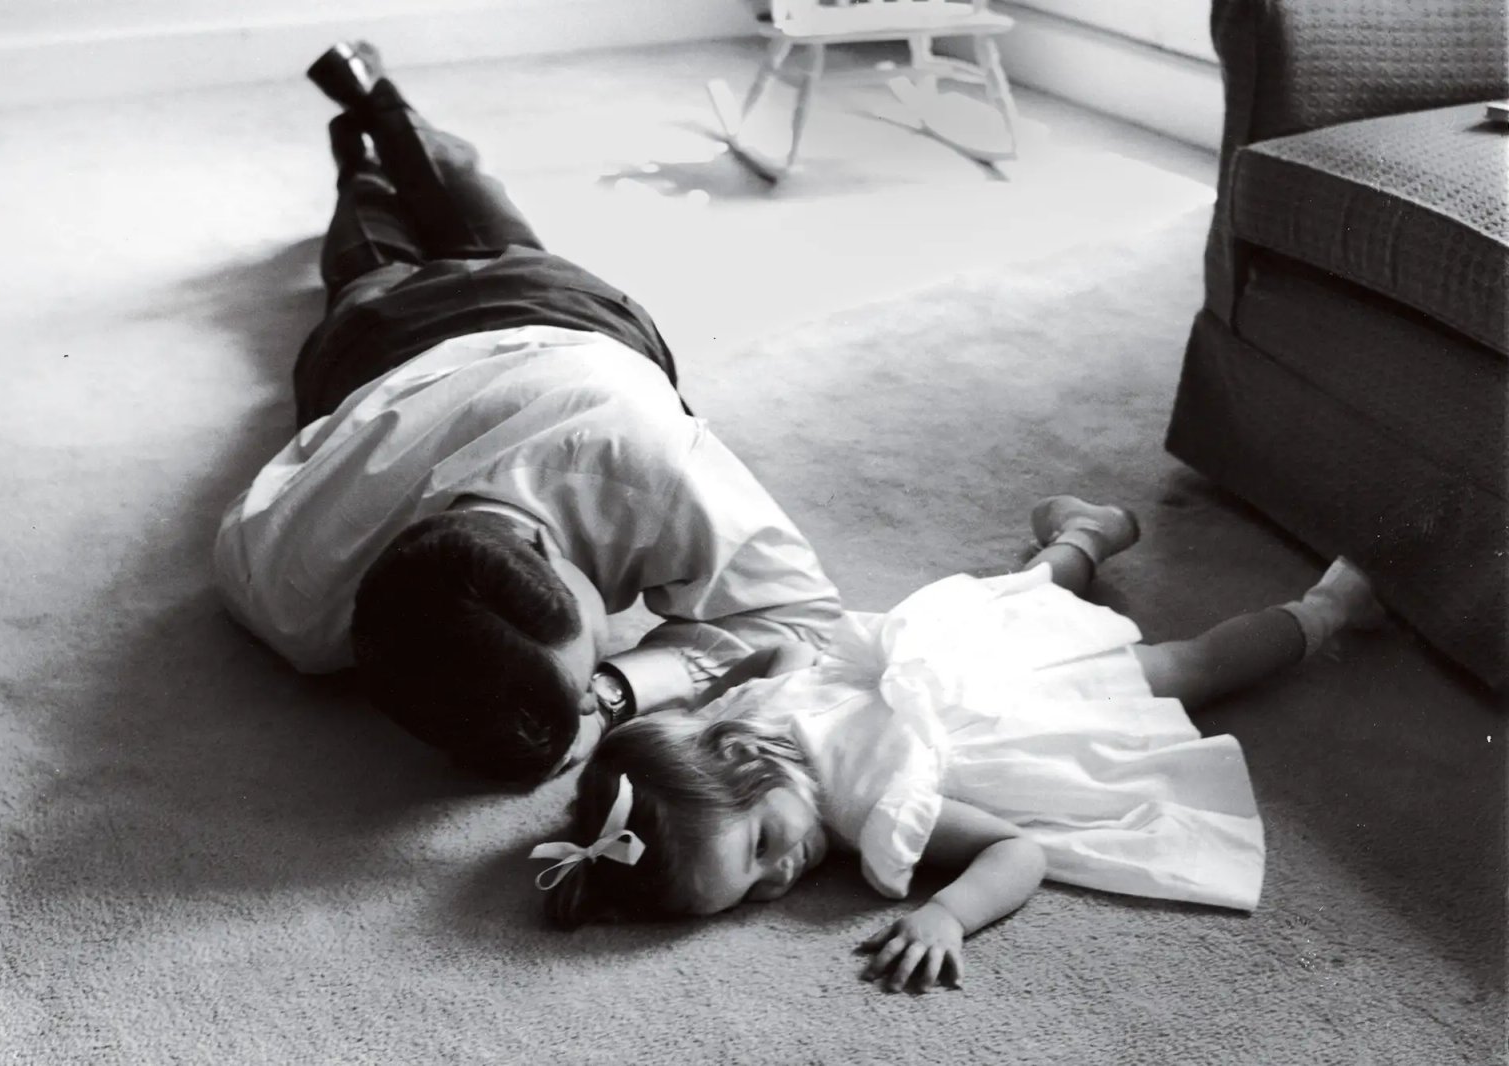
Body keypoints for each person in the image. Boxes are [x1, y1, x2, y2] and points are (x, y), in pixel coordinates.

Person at [213, 42, 841, 787]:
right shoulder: (296, 606)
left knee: (458, 217)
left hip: (545, 318)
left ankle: (385, 110)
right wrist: (615, 691)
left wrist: (610, 692)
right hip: (386, 349)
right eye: (586, 678)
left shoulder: (650, 459)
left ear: (548, 552)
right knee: (367, 246)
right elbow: (793, 617)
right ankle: (361, 150)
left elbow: (805, 616)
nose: (585, 690)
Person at [530, 495, 1388, 992]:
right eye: (753, 890)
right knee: (1026, 598)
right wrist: (719, 689)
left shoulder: (868, 805)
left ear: (743, 760)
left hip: (1009, 695)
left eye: (761, 845)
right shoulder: (757, 716)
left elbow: (1018, 852)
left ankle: (1323, 610)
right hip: (969, 668)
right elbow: (783, 651)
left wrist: (947, 909)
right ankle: (1091, 539)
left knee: (1183, 664)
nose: (781, 877)